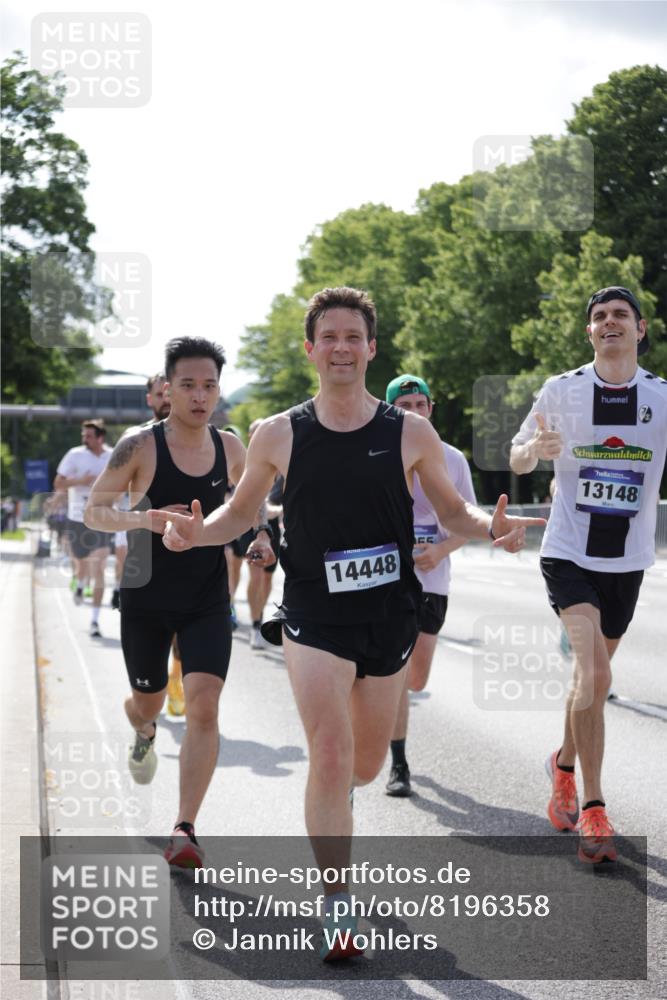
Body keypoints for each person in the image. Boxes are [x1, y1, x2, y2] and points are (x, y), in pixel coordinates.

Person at [154, 286, 545, 956]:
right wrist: (197, 533)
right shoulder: (278, 432)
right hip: (312, 611)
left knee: (362, 765)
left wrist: (488, 527)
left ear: (370, 348)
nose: (339, 347)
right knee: (330, 756)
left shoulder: (408, 431)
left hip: (388, 614)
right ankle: (337, 899)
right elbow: (239, 512)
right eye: (327, 337)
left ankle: (342, 802)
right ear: (310, 349)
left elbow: (453, 513)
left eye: (351, 336)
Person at [84, 336, 274, 868]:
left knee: (205, 707)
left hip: (205, 599)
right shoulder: (138, 446)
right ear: (167, 389)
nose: (199, 395)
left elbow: (250, 504)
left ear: (219, 390)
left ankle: (184, 827)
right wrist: (144, 519)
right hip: (145, 597)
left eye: (209, 385)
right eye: (187, 385)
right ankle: (143, 729)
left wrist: (259, 538)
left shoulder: (232, 446)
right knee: (146, 703)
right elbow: (94, 512)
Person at [510, 286, 666, 864]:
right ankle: (595, 811)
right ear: (589, 333)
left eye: (620, 316)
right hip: (569, 551)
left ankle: (564, 765)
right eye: (599, 317)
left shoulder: (661, 397)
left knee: (591, 681)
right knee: (595, 673)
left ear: (640, 329)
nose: (609, 324)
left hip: (628, 561)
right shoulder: (563, 390)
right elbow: (517, 453)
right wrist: (536, 450)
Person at [382, 374, 476, 798]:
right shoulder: (379, 455)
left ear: (431, 409)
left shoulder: (452, 459)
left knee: (416, 679)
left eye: (422, 404)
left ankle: (382, 704)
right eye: (406, 406)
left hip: (433, 580)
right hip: (389, 582)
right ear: (392, 412)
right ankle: (398, 763)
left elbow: (467, 524)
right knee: (398, 676)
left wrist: (439, 552)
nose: (416, 412)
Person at [54, 420, 112, 638]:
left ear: (100, 438)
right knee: (83, 565)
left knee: (99, 565)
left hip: (103, 517)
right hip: (78, 518)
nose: (84, 439)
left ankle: (95, 621)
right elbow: (58, 483)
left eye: (88, 436)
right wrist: (81, 480)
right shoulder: (74, 455)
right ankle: (79, 583)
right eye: (83, 435)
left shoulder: (112, 456)